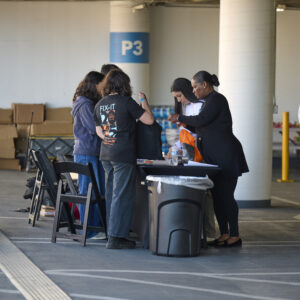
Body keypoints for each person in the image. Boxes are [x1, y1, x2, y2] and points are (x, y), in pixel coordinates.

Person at [169, 70, 249, 247]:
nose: (194, 91)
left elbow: (202, 119)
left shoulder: (217, 100)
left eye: (195, 87)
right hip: (214, 158)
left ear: (204, 85)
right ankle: (224, 233)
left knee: (227, 196)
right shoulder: (207, 102)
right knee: (217, 196)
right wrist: (184, 124)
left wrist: (181, 117)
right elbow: (202, 126)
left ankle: (234, 234)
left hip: (227, 155)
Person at [94, 69, 154, 249]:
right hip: (123, 154)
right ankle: (117, 237)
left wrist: (111, 139)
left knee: (113, 194)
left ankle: (112, 233)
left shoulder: (100, 104)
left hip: (106, 154)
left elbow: (99, 132)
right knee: (123, 195)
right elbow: (149, 120)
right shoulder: (126, 102)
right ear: (124, 84)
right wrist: (144, 101)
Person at [170, 77, 216, 241]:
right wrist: (175, 148)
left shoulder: (200, 106)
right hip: (189, 157)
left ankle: (209, 231)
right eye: (176, 97)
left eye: (180, 96)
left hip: (200, 157)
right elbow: (185, 135)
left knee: (204, 194)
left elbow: (196, 130)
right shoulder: (187, 108)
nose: (179, 100)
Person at [72, 71, 105, 239]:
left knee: (97, 191)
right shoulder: (84, 104)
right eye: (101, 85)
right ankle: (90, 231)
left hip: (92, 152)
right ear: (94, 85)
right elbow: (93, 128)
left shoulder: (87, 102)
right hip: (86, 152)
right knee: (88, 192)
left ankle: (95, 228)